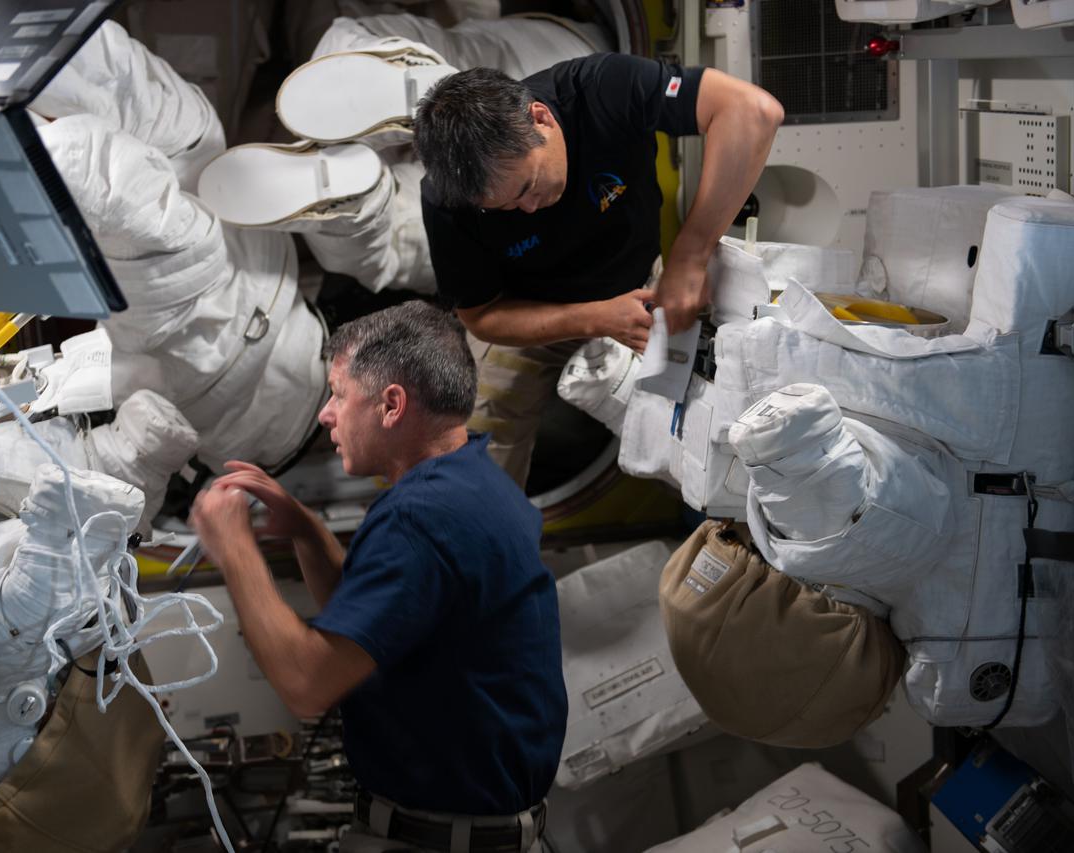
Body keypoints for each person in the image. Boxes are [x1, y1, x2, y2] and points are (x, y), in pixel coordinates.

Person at [189, 301, 567, 853]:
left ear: (391, 405)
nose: (326, 414)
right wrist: (304, 529)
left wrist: (234, 550)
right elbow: (368, 627)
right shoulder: (471, 481)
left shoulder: (420, 519)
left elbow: (307, 684)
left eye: (339, 395)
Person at [413, 55, 783, 486]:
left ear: (541, 118)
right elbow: (481, 316)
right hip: (531, 316)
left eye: (528, 187)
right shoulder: (446, 201)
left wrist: (691, 254)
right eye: (506, 207)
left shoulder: (602, 89)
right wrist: (596, 318)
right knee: (472, 456)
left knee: (704, 424)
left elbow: (753, 111)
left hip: (644, 290)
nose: (528, 209)